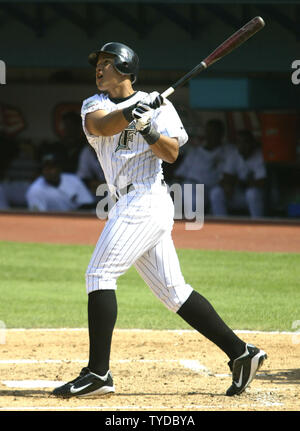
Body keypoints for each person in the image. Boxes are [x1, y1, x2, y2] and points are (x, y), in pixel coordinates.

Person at [52, 42, 267, 399]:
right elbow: (103, 127)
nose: (99, 69)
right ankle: (241, 353)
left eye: (106, 63)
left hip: (146, 198)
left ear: (124, 68)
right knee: (174, 292)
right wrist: (133, 110)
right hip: (124, 200)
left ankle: (98, 373)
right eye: (98, 64)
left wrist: (149, 128)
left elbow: (171, 153)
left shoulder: (160, 105)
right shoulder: (96, 104)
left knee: (99, 274)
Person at [174, 119, 232, 214]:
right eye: (209, 132)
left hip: (213, 188)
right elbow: (179, 175)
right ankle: (193, 222)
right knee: (190, 189)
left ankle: (221, 225)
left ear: (221, 133)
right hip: (194, 187)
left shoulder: (228, 151)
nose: (212, 135)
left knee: (216, 193)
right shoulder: (195, 153)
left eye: (215, 132)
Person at [210, 130, 266, 218]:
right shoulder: (234, 155)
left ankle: (258, 223)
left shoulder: (260, 155)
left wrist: (238, 182)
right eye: (239, 142)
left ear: (253, 143)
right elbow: (226, 177)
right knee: (216, 192)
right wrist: (227, 185)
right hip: (238, 195)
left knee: (252, 193)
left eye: (246, 142)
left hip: (257, 197)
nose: (242, 146)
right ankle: (221, 223)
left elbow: (262, 182)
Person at [26, 153, 95, 212]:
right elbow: (38, 217)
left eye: (52, 167)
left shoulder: (73, 180)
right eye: (46, 168)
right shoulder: (34, 190)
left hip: (78, 221)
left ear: (59, 168)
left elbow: (87, 204)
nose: (49, 171)